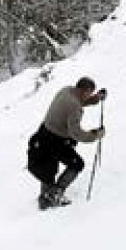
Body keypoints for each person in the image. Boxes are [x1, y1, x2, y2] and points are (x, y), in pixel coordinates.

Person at [27, 77, 107, 210]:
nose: (90, 95)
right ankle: (55, 193)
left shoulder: (67, 90)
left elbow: (79, 101)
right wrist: (95, 135)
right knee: (76, 164)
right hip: (55, 140)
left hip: (43, 133)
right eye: (89, 93)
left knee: (48, 166)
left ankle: (46, 197)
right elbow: (76, 133)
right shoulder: (75, 107)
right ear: (83, 90)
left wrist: (96, 99)